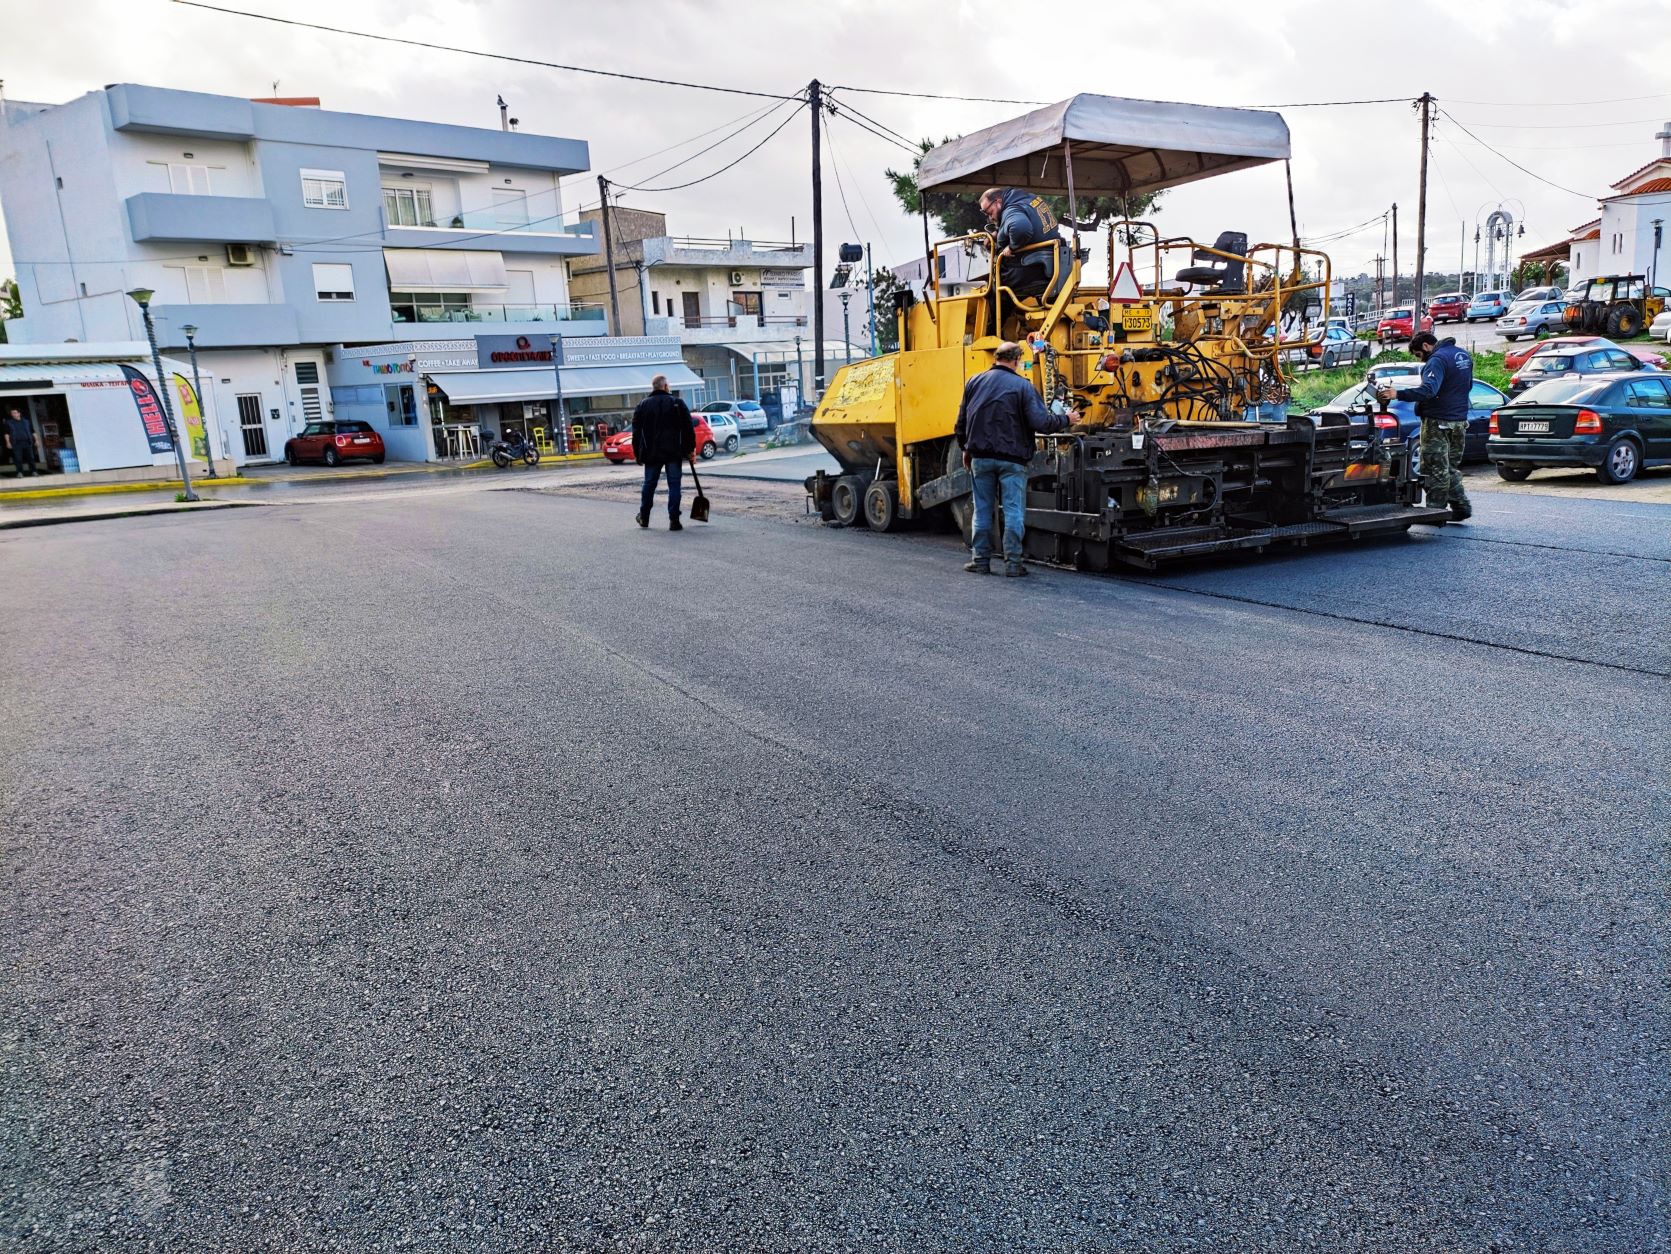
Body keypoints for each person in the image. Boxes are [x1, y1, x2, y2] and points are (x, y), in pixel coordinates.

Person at [953, 341, 1077, 576]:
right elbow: (1041, 423)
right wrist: (1067, 419)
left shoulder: (974, 382)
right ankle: (1013, 564)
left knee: (982, 510)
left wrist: (965, 449)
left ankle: (980, 560)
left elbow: (961, 423)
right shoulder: (1023, 387)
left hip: (980, 457)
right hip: (1013, 461)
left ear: (996, 357)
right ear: (1016, 360)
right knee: (1013, 511)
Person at [1377, 330, 1473, 521]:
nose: (1421, 360)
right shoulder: (1462, 355)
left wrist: (1398, 394)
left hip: (1437, 421)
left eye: (1419, 355)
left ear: (1425, 346)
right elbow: (1467, 386)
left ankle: (1434, 512)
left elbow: (1429, 389)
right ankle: (1461, 509)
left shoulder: (1437, 359)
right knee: (1449, 468)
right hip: (1459, 421)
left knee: (1435, 468)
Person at [980, 187, 1066, 308]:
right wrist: (997, 234)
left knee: (995, 292)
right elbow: (1026, 222)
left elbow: (1021, 228)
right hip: (1053, 266)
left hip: (1029, 270)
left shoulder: (1011, 210)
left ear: (998, 201)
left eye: (989, 212)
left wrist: (1011, 247)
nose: (990, 217)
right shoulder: (1030, 199)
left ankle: (993, 326)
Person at [631, 375, 696, 531]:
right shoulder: (677, 403)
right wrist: (690, 450)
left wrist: (637, 453)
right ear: (665, 386)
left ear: (653, 387)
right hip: (673, 453)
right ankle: (674, 520)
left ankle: (644, 517)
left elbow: (636, 433)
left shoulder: (642, 405)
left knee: (649, 485)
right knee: (674, 486)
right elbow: (688, 429)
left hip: (651, 454)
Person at [4, 407, 37, 478]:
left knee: (31, 458)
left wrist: (37, 440)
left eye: (14, 413)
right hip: (16, 443)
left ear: (19, 413)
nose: (13, 414)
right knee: (18, 459)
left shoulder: (26, 422)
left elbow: (33, 431)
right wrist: (8, 442)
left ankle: (34, 471)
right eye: (12, 413)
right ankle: (20, 472)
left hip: (27, 442)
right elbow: (6, 433)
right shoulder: (9, 423)